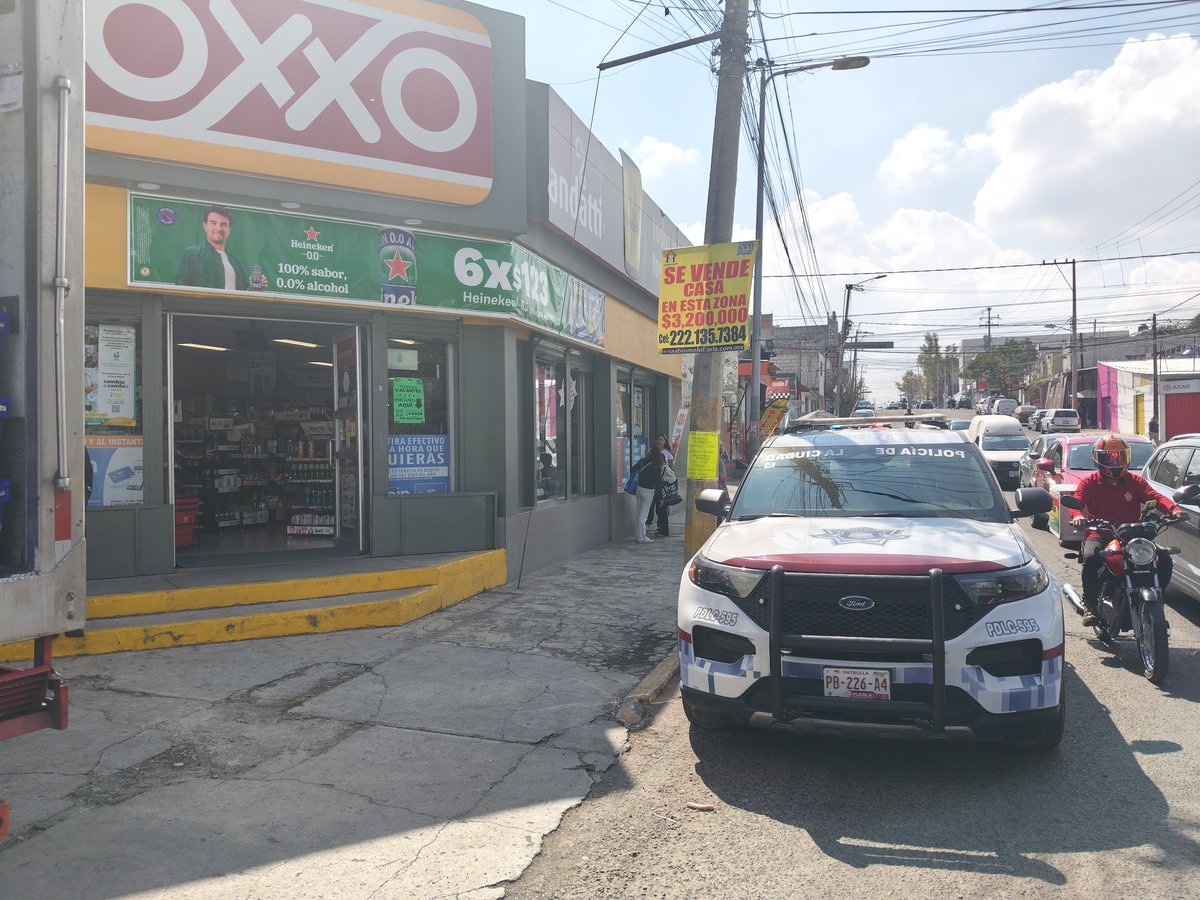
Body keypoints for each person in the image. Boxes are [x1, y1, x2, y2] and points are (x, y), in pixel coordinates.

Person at [1069, 434, 1189, 626]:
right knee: (1091, 557)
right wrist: (1078, 517)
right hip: (1101, 533)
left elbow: (1155, 497)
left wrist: (1174, 510)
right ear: (1099, 459)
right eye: (1110, 457)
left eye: (1120, 456)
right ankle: (1090, 604)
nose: (1116, 462)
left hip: (1132, 535)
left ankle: (1157, 603)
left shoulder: (1135, 481)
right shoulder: (1089, 482)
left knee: (1164, 560)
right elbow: (1077, 503)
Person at [175, 205, 249, 291]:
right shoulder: (192, 254)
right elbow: (181, 291)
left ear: (229, 230)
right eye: (213, 223)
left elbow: (243, 294)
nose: (218, 228)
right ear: (205, 226)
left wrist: (256, 288)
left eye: (223, 224)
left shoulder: (235, 263)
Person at [632, 443, 664, 543]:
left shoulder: (643, 461)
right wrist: (660, 497)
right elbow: (658, 483)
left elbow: (633, 469)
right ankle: (642, 537)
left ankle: (638, 535)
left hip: (638, 489)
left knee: (639, 514)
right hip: (648, 491)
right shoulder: (656, 465)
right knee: (643, 515)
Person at [645, 433, 674, 537]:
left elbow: (671, 469)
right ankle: (648, 522)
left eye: (662, 440)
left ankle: (661, 527)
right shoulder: (651, 451)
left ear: (665, 441)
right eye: (658, 439)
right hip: (652, 481)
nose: (660, 441)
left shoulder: (668, 453)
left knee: (661, 505)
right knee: (650, 504)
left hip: (663, 482)